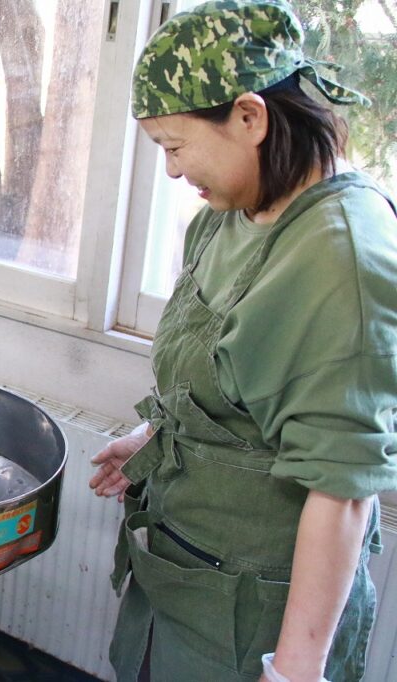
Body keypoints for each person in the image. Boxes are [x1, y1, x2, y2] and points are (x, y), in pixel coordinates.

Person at [88, 2, 397, 680]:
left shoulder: (336, 262)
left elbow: (343, 490)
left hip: (250, 623)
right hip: (181, 582)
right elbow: (232, 378)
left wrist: (292, 672)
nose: (171, 172)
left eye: (175, 147)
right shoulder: (235, 208)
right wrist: (153, 440)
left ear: (250, 117)